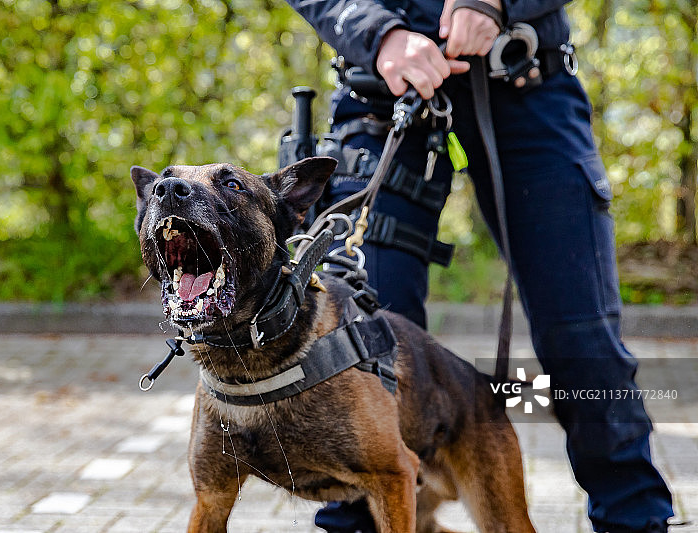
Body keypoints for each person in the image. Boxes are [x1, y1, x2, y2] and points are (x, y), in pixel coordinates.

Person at [283, 0, 675, 531]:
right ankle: (358, 523)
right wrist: (378, 33)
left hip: (528, 75)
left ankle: (634, 519)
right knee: (354, 348)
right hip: (381, 89)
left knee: (583, 342)